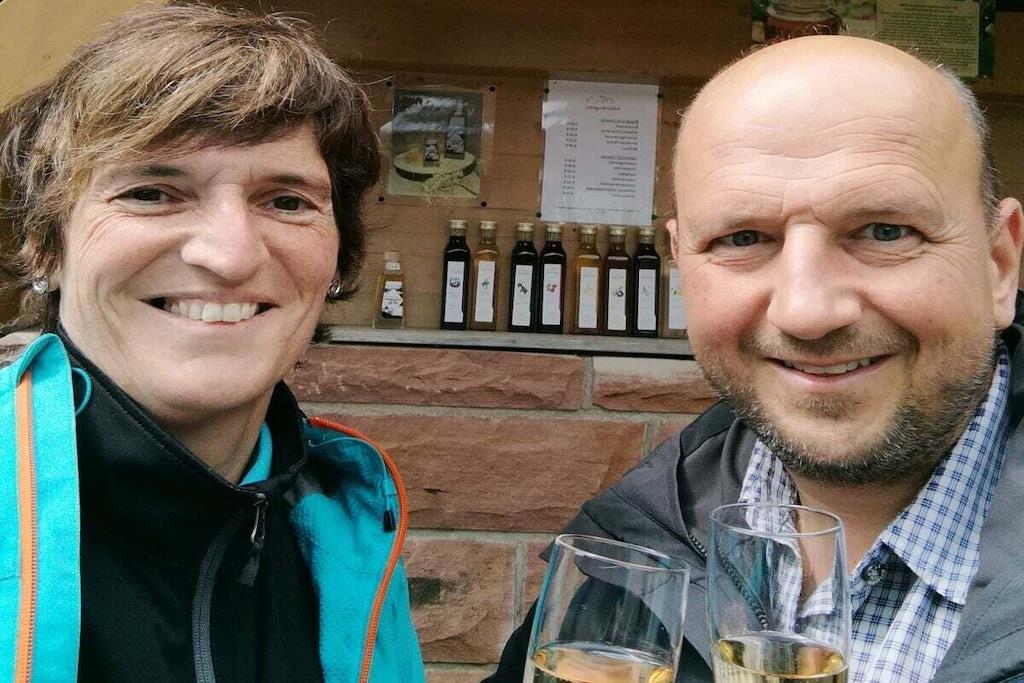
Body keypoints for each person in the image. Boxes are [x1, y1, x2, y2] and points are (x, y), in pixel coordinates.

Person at [488, 35, 1024, 683]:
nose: (806, 311)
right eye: (741, 238)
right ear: (681, 264)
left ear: (1000, 264)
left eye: (886, 231)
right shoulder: (627, 549)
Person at [0, 5, 424, 682]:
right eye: (151, 192)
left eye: (287, 201)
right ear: (45, 247)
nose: (230, 255)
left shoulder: (348, 527)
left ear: (338, 261)